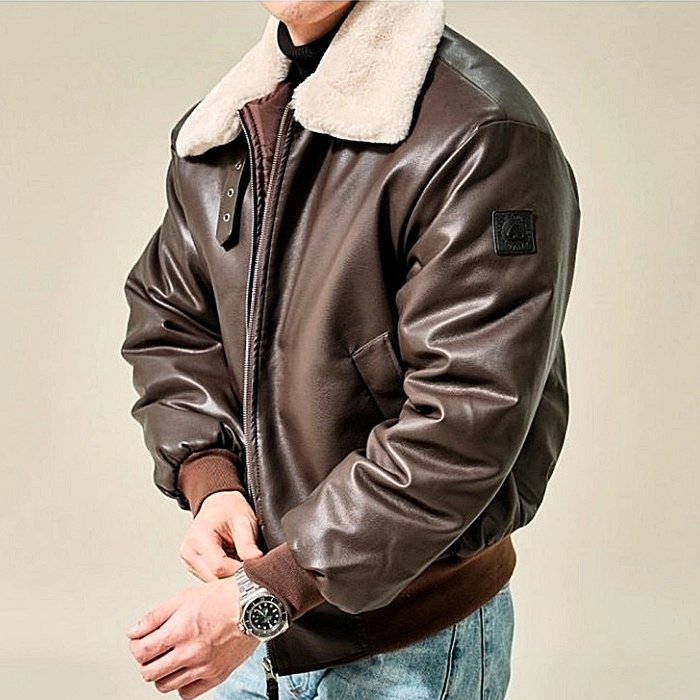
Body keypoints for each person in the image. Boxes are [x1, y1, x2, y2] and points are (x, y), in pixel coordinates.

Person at [122, 1, 579, 699]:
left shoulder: (480, 135)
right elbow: (172, 321)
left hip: (406, 644)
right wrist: (211, 482)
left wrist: (266, 593)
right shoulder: (224, 132)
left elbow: (465, 419)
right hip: (254, 622)